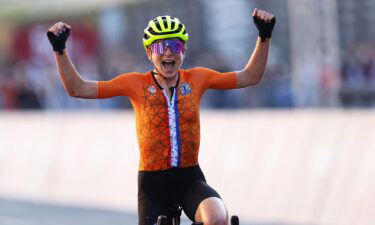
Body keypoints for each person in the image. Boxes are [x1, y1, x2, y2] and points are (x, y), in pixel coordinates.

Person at [47, 8, 275, 225]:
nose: (168, 52)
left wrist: (263, 36)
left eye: (174, 46)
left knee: (217, 217)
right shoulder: (134, 83)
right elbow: (78, 88)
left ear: (183, 50)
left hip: (190, 177)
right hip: (153, 183)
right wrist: (60, 50)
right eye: (160, 47)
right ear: (149, 53)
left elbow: (250, 76)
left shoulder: (198, 78)